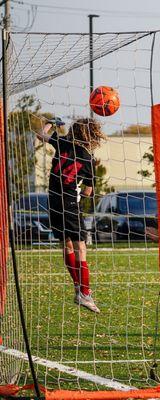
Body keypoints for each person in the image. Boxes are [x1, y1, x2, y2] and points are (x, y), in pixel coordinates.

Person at [36, 117, 105, 313]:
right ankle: (85, 293)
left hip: (54, 202)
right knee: (81, 248)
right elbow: (88, 191)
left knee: (66, 245)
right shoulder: (88, 159)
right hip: (71, 206)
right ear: (92, 136)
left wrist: (50, 122)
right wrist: (80, 192)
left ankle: (78, 287)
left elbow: (40, 135)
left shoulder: (62, 142)